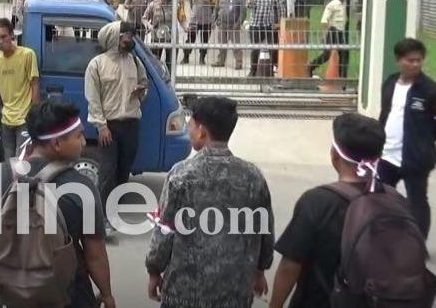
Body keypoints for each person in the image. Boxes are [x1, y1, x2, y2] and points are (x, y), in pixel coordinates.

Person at [0, 98, 116, 308]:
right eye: (78, 136)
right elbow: (94, 255)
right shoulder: (81, 187)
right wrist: (107, 294)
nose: (84, 143)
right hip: (69, 295)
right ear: (57, 143)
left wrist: (16, 277)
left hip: (14, 297)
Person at [146, 96, 274, 308]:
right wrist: (260, 270)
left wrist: (154, 270)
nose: (188, 129)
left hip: (185, 292)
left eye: (190, 124)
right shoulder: (253, 176)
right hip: (235, 291)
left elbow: (165, 230)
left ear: (201, 131)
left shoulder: (181, 175)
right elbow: (264, 230)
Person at [269, 113, 387, 308]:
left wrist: (275, 305)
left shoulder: (317, 202)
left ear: (334, 155)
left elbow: (290, 264)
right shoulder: (394, 201)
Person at [85, 21, 147, 210]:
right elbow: (93, 98)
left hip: (131, 125)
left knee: (123, 170)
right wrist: (101, 126)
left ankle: (115, 210)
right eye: (127, 36)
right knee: (107, 171)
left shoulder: (135, 62)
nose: (131, 40)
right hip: (109, 127)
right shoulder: (97, 64)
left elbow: (144, 84)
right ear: (116, 38)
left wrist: (141, 92)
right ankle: (102, 214)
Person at [378, 38, 436, 237]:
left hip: (415, 158)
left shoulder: (429, 90)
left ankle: (417, 243)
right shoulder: (390, 83)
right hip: (386, 155)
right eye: (410, 60)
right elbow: (385, 114)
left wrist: (424, 145)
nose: (415, 64)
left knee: (417, 201)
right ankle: (381, 238)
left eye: (418, 60)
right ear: (398, 60)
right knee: (380, 198)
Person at [0, 18, 40, 160]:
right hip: (6, 118)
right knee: (8, 160)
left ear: (12, 35)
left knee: (21, 161)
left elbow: (35, 84)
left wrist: (35, 114)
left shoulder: (27, 55)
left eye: (4, 37)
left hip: (24, 118)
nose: (0, 41)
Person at [246, 0, 284, 77]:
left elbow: (281, 10)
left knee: (271, 49)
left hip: (268, 26)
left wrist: (278, 23)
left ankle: (270, 70)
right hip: (255, 26)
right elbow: (249, 6)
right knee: (255, 49)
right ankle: (253, 71)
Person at [308, 0, 349, 79]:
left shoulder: (345, 5)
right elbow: (324, 20)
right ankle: (311, 66)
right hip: (333, 31)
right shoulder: (332, 5)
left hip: (341, 32)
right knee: (327, 54)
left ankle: (342, 78)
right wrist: (324, 34)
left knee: (343, 54)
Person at [143, 0, 186, 72]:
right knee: (155, 61)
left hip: (171, 37)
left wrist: (186, 27)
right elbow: (144, 18)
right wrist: (148, 25)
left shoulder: (176, 5)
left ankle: (170, 77)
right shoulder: (153, 4)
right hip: (156, 36)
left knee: (171, 61)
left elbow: (182, 19)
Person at [213, 0, 245, 69]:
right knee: (221, 44)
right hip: (222, 24)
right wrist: (214, 21)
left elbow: (243, 12)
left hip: (233, 25)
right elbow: (216, 9)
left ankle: (239, 62)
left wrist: (238, 23)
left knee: (236, 45)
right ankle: (220, 61)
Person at [183, 0, 215, 66]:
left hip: (206, 21)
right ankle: (186, 57)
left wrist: (213, 21)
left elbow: (213, 8)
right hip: (194, 21)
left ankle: (202, 58)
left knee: (204, 41)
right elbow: (191, 4)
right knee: (190, 39)